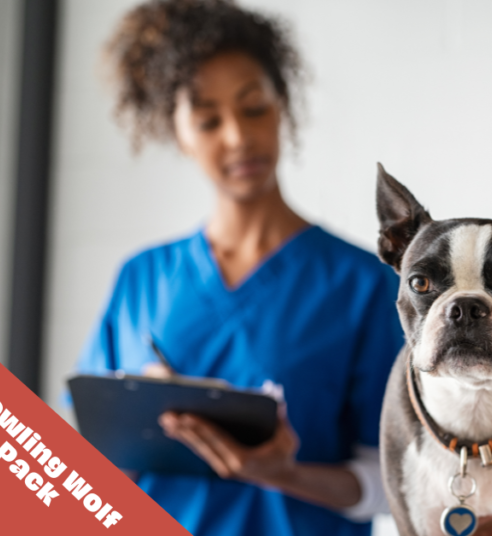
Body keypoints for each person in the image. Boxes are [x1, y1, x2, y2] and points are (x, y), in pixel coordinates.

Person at [74, 1, 403, 534]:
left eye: (253, 108)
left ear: (282, 106)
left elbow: (391, 481)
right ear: (177, 131)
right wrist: (136, 428)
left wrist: (282, 473)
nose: (237, 137)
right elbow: (82, 465)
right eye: (207, 120)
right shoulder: (141, 280)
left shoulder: (361, 286)